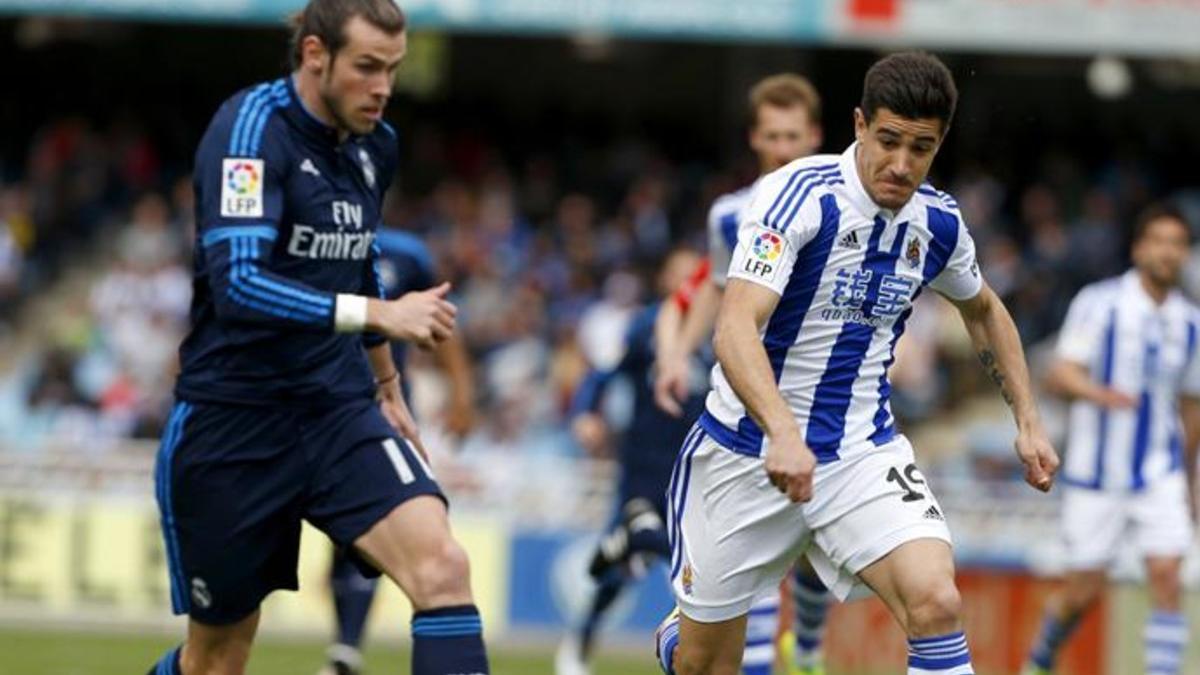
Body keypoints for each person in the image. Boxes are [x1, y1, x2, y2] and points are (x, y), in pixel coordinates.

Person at [654, 51, 1059, 675]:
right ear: (859, 124)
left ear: (940, 142)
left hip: (860, 454)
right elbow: (735, 326)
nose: (901, 164)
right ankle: (682, 641)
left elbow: (983, 309)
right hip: (746, 453)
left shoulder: (940, 224)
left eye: (920, 148)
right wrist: (783, 433)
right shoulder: (796, 196)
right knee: (707, 664)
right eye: (889, 140)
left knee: (936, 600)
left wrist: (1028, 419)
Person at [146, 2, 489, 674]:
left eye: (392, 70)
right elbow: (239, 284)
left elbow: (356, 257)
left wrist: (387, 385)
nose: (383, 87)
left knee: (443, 566)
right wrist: (377, 314)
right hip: (234, 421)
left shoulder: (375, 145)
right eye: (367, 67)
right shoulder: (249, 130)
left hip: (337, 408)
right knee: (215, 659)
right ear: (314, 55)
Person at [653, 73, 831, 675]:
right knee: (748, 552)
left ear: (815, 136)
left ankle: (805, 647)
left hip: (828, 401)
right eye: (772, 136)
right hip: (750, 405)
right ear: (756, 137)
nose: (783, 148)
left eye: (794, 135)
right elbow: (716, 288)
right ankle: (763, 653)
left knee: (816, 548)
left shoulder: (842, 209)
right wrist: (677, 352)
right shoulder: (730, 215)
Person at [1023, 205, 1200, 675]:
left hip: (1159, 471)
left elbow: (1191, 405)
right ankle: (1040, 659)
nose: (1167, 252)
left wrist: (1188, 478)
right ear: (1139, 248)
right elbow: (1059, 374)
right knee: (1082, 591)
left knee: (1166, 575)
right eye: (1158, 240)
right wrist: (1097, 393)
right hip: (1095, 474)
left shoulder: (1191, 322)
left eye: (1177, 243)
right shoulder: (1100, 303)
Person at [320, 225, 478, 675]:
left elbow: (442, 321)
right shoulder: (300, 238)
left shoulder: (408, 253)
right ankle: (345, 644)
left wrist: (462, 395)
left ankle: (346, 650)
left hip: (378, 408)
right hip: (299, 407)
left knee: (429, 555)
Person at [555, 248, 707, 675]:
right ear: (663, 280)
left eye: (694, 275)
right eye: (678, 275)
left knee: (692, 564)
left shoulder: (716, 331)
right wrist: (586, 413)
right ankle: (580, 643)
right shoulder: (644, 328)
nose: (687, 285)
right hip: (642, 464)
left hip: (694, 469)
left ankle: (634, 539)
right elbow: (601, 375)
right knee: (618, 576)